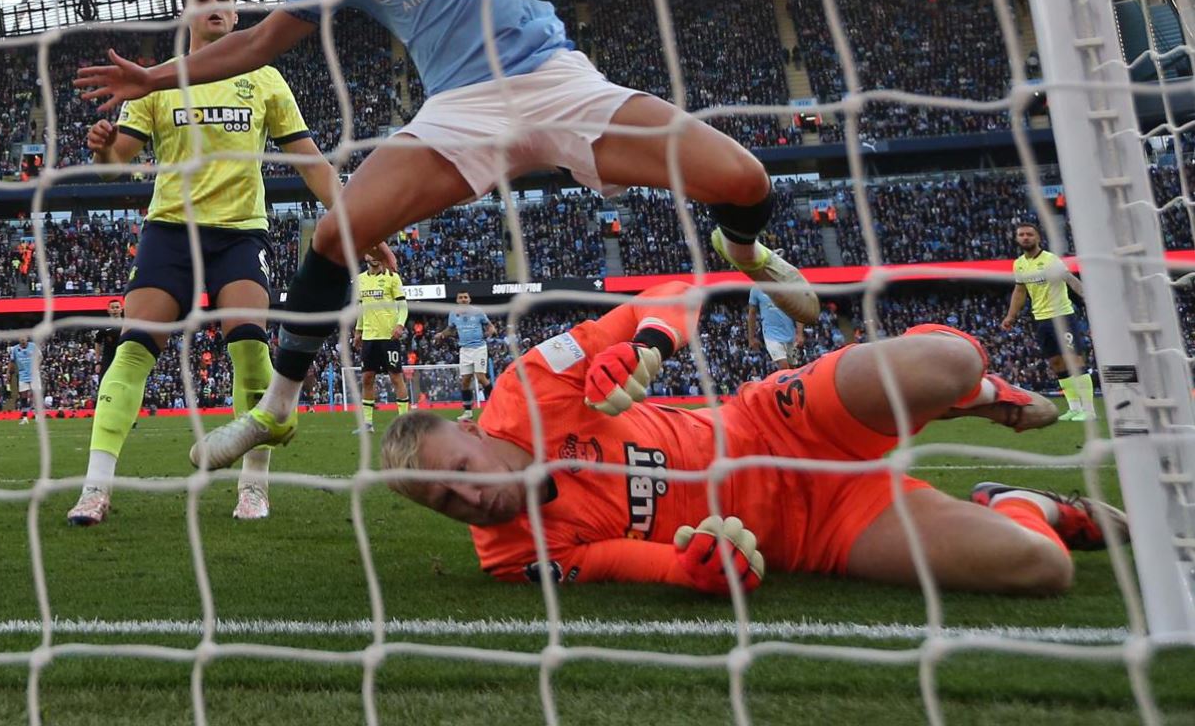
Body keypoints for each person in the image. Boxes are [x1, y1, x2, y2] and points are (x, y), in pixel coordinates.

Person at [77, 0, 820, 471]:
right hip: (460, 109)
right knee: (337, 233)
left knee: (745, 180)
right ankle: (276, 406)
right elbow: (260, 44)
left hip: (555, 80)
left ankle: (743, 252)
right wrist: (155, 78)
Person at [380, 282, 1122, 595]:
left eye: (461, 469)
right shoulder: (513, 558)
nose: (469, 497)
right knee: (1040, 569)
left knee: (951, 359)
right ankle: (1028, 501)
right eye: (446, 502)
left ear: (474, 430)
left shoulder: (531, 387)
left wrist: (643, 347)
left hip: (777, 422)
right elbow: (631, 562)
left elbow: (679, 296)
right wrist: (699, 569)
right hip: (818, 531)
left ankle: (959, 392)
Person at [67, 0, 395, 525]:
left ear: (237, 15)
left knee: (251, 351)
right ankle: (96, 488)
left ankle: (254, 486)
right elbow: (116, 162)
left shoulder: (265, 79)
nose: (215, 7)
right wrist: (101, 148)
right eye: (203, 0)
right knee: (133, 350)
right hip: (170, 229)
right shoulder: (159, 82)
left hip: (241, 232)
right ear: (187, 15)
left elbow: (311, 160)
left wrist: (357, 223)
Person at [999, 220, 1093, 421]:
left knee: (1075, 361)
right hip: (1041, 320)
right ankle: (1074, 408)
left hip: (1062, 317)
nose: (1025, 237)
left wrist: (1087, 295)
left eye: (1029, 234)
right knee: (1057, 363)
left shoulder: (1051, 260)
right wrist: (1011, 316)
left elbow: (1069, 279)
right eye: (1022, 234)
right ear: (1017, 238)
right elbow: (1020, 290)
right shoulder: (1019, 264)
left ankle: (1089, 410)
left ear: (1038, 238)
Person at [353, 256, 410, 434]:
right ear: (366, 256)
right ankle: (367, 424)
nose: (373, 257)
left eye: (376, 253)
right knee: (367, 378)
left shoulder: (392, 277)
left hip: (389, 336)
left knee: (396, 377)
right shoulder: (360, 279)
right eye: (370, 253)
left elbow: (403, 305)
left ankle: (404, 423)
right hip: (369, 337)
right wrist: (358, 330)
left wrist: (400, 324)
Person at [440, 291, 493, 420]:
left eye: (465, 297)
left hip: (479, 348)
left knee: (480, 377)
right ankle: (468, 412)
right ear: (457, 300)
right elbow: (450, 329)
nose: (463, 299)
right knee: (465, 381)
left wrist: (490, 330)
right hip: (464, 349)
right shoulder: (453, 314)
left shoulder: (478, 312)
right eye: (460, 297)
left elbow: (489, 325)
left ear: (469, 299)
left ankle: (495, 406)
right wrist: (442, 334)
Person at [745, 283, 800, 372]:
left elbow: (798, 310)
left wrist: (800, 333)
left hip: (790, 334)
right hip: (771, 335)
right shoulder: (756, 288)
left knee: (793, 368)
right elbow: (752, 313)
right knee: (784, 367)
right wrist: (751, 338)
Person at [10, 337, 40, 423]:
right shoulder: (15, 349)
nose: (22, 340)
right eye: (21, 339)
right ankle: (25, 418)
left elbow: (40, 357)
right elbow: (12, 361)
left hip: (34, 374)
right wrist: (9, 373)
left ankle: (37, 416)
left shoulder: (33, 346)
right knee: (23, 397)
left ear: (27, 339)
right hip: (23, 375)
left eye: (24, 339)